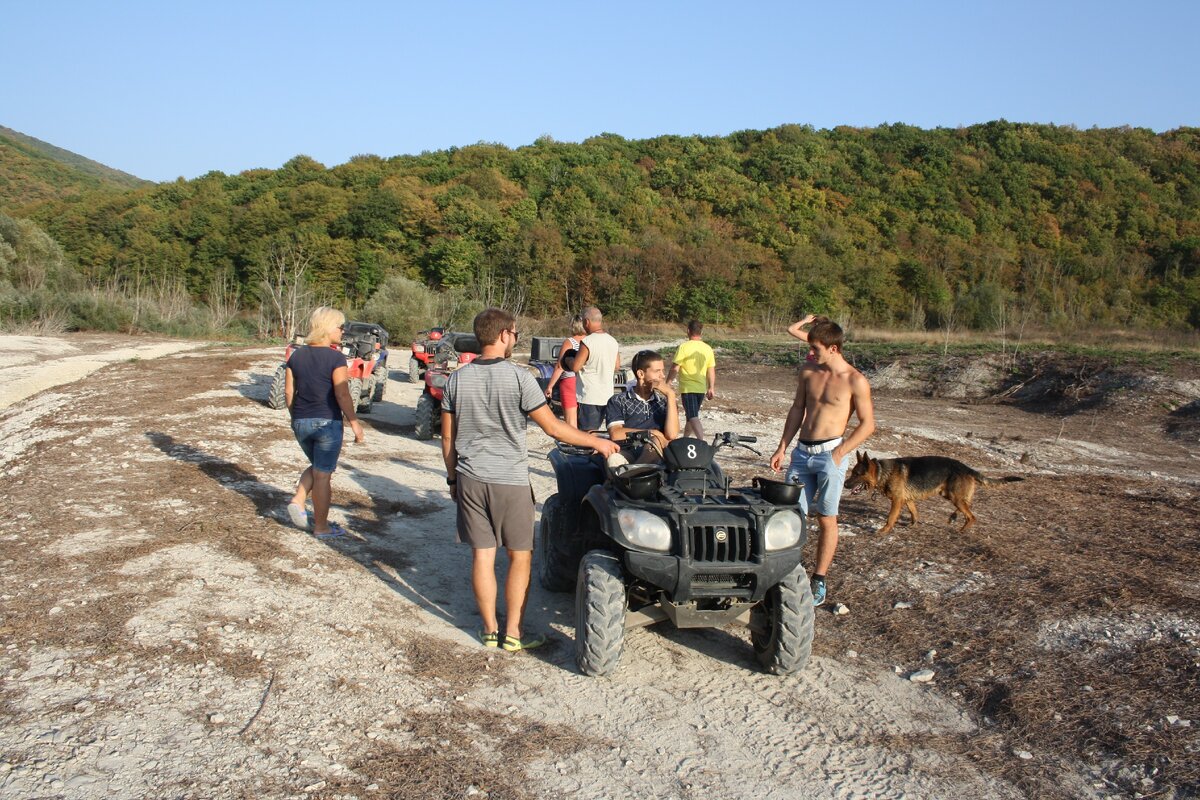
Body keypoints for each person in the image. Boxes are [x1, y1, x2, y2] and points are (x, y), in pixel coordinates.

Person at [442, 308, 619, 652]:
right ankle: (514, 633)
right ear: (505, 335)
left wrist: (452, 480)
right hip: (509, 479)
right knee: (520, 556)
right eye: (516, 334)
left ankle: (490, 630)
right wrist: (597, 441)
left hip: (469, 478)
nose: (515, 339)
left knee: (482, 555)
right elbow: (553, 427)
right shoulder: (520, 378)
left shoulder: (456, 379)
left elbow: (447, 440)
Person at [769, 316, 876, 607]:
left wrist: (840, 454)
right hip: (802, 454)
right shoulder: (808, 371)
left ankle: (819, 578)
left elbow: (867, 424)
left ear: (833, 348)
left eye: (815, 348)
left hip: (831, 454)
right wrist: (782, 448)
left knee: (826, 518)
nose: (810, 352)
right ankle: (788, 572)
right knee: (791, 515)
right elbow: (797, 409)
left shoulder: (855, 380)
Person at [284, 307, 365, 538]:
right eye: (340, 327)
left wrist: (295, 417)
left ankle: (299, 500)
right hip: (327, 422)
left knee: (319, 466)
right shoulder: (336, 357)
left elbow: (289, 393)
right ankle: (321, 527)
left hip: (301, 421)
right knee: (323, 475)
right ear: (328, 328)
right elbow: (342, 394)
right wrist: (354, 423)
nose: (342, 331)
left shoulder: (295, 356)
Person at [606, 349, 680, 467]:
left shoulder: (664, 402)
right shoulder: (618, 400)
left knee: (653, 445)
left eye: (662, 370)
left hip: (657, 453)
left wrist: (671, 396)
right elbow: (616, 434)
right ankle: (631, 476)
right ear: (641, 374)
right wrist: (651, 433)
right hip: (627, 451)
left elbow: (671, 435)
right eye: (657, 371)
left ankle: (632, 475)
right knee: (614, 459)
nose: (662, 376)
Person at [571, 306, 619, 432]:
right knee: (602, 432)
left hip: (589, 396)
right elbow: (617, 366)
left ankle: (588, 451)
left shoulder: (587, 342)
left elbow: (576, 367)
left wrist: (567, 360)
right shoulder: (613, 341)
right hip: (607, 395)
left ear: (587, 322)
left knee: (588, 433)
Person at [667, 319, 716, 440]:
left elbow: (675, 367)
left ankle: (701, 441)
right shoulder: (707, 348)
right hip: (701, 388)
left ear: (688, 331)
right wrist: (711, 387)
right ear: (701, 332)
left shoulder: (684, 347)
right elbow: (711, 369)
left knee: (693, 416)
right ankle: (685, 439)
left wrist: (667, 383)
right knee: (690, 416)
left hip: (688, 388)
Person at [543, 315, 587, 428]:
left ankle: (572, 443)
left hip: (569, 381)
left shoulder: (570, 342)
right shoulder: (589, 342)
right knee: (585, 420)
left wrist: (550, 386)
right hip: (585, 381)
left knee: (571, 422)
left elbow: (560, 366)